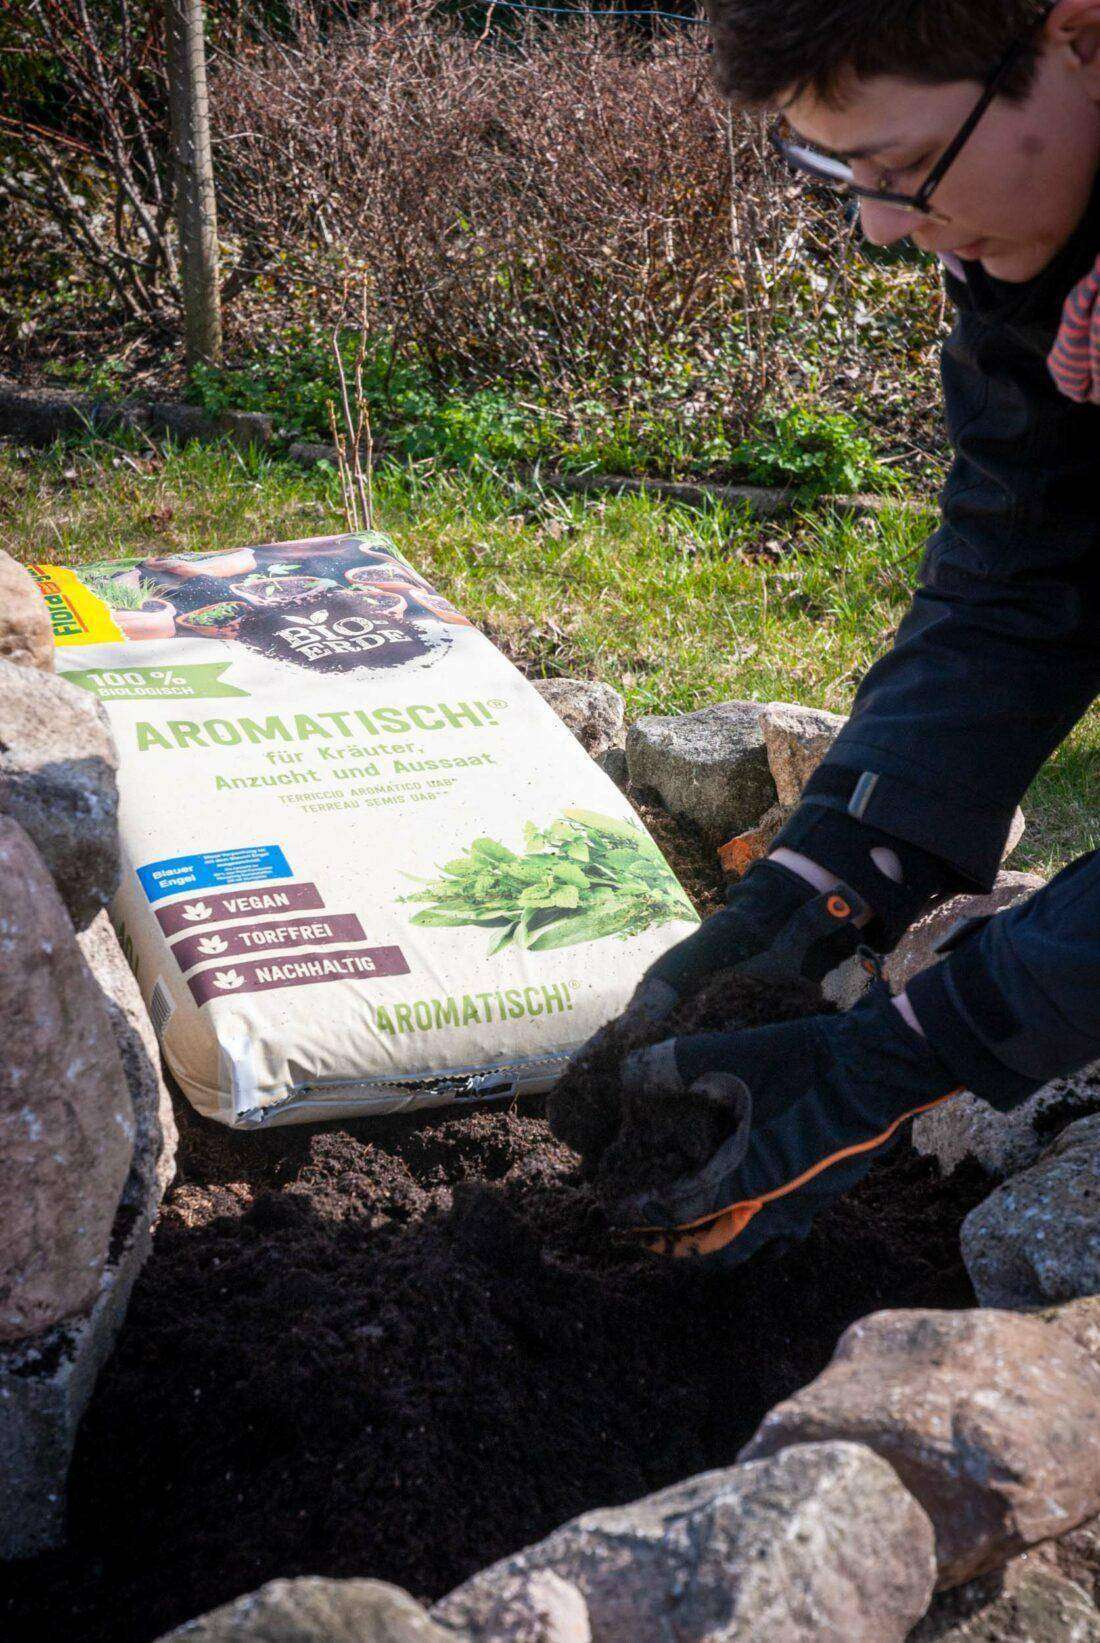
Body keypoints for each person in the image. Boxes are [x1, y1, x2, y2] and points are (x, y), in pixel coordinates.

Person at [550, 0, 1100, 1264]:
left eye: (903, 169)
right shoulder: (1042, 249)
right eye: (840, 174)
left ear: (1078, 38)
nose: (878, 227)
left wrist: (907, 1048)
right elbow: (1024, 567)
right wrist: (826, 878)